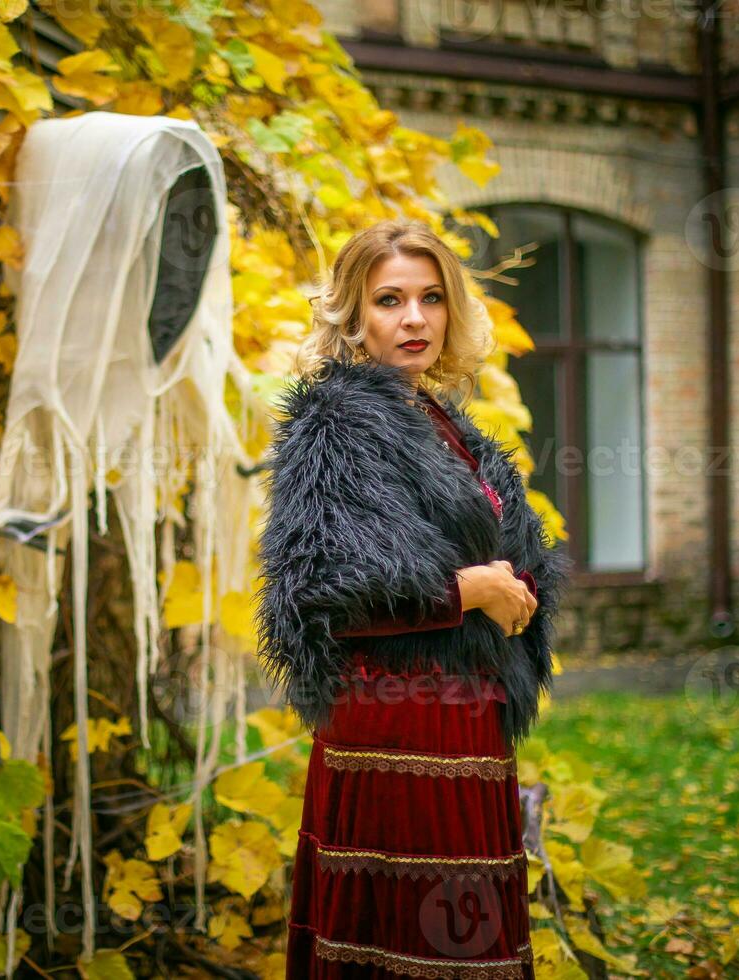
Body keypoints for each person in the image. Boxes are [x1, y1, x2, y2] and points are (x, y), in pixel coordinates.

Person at [255, 219, 570, 978]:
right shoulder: (334, 426)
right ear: (354, 317)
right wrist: (472, 589)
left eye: (431, 298)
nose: (414, 318)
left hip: (465, 715)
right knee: (413, 948)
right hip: (394, 727)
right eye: (389, 299)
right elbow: (316, 595)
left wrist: (516, 586)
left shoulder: (442, 424)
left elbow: (489, 548)